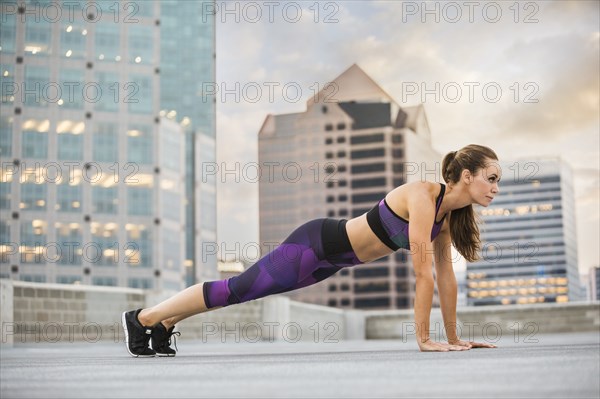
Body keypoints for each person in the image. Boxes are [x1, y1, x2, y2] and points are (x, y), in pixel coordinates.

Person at [122, 144, 501, 356]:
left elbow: (446, 278)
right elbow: (423, 277)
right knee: (236, 289)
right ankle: (142, 319)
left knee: (238, 293)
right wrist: (423, 339)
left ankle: (165, 324)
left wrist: (453, 339)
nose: (496, 187)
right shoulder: (423, 195)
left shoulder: (447, 220)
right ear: (467, 176)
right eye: (492, 178)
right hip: (314, 245)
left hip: (330, 263)